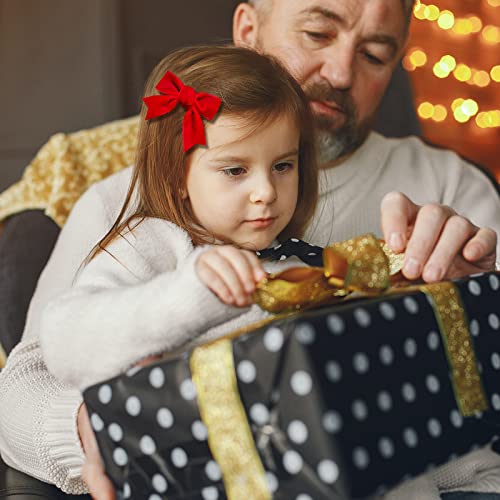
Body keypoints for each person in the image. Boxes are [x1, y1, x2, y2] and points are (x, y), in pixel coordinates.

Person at [0, 0, 498, 498]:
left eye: (373, 53)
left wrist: (455, 310)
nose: (342, 72)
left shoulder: (328, 241)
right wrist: (110, 427)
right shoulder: (136, 224)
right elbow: (47, 361)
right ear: (247, 28)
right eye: (318, 34)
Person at [39, 45, 320, 392]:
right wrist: (189, 296)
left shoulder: (297, 259)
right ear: (176, 177)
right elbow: (62, 341)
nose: (266, 191)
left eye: (283, 166)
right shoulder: (156, 245)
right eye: (234, 170)